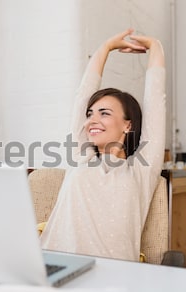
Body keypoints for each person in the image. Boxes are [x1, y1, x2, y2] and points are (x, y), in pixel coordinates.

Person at [40, 29, 166, 262]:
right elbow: (82, 97)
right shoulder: (79, 156)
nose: (92, 121)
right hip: (55, 266)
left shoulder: (141, 170)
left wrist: (155, 47)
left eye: (104, 113)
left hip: (115, 277)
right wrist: (104, 48)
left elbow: (156, 105)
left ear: (127, 125)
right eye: (90, 114)